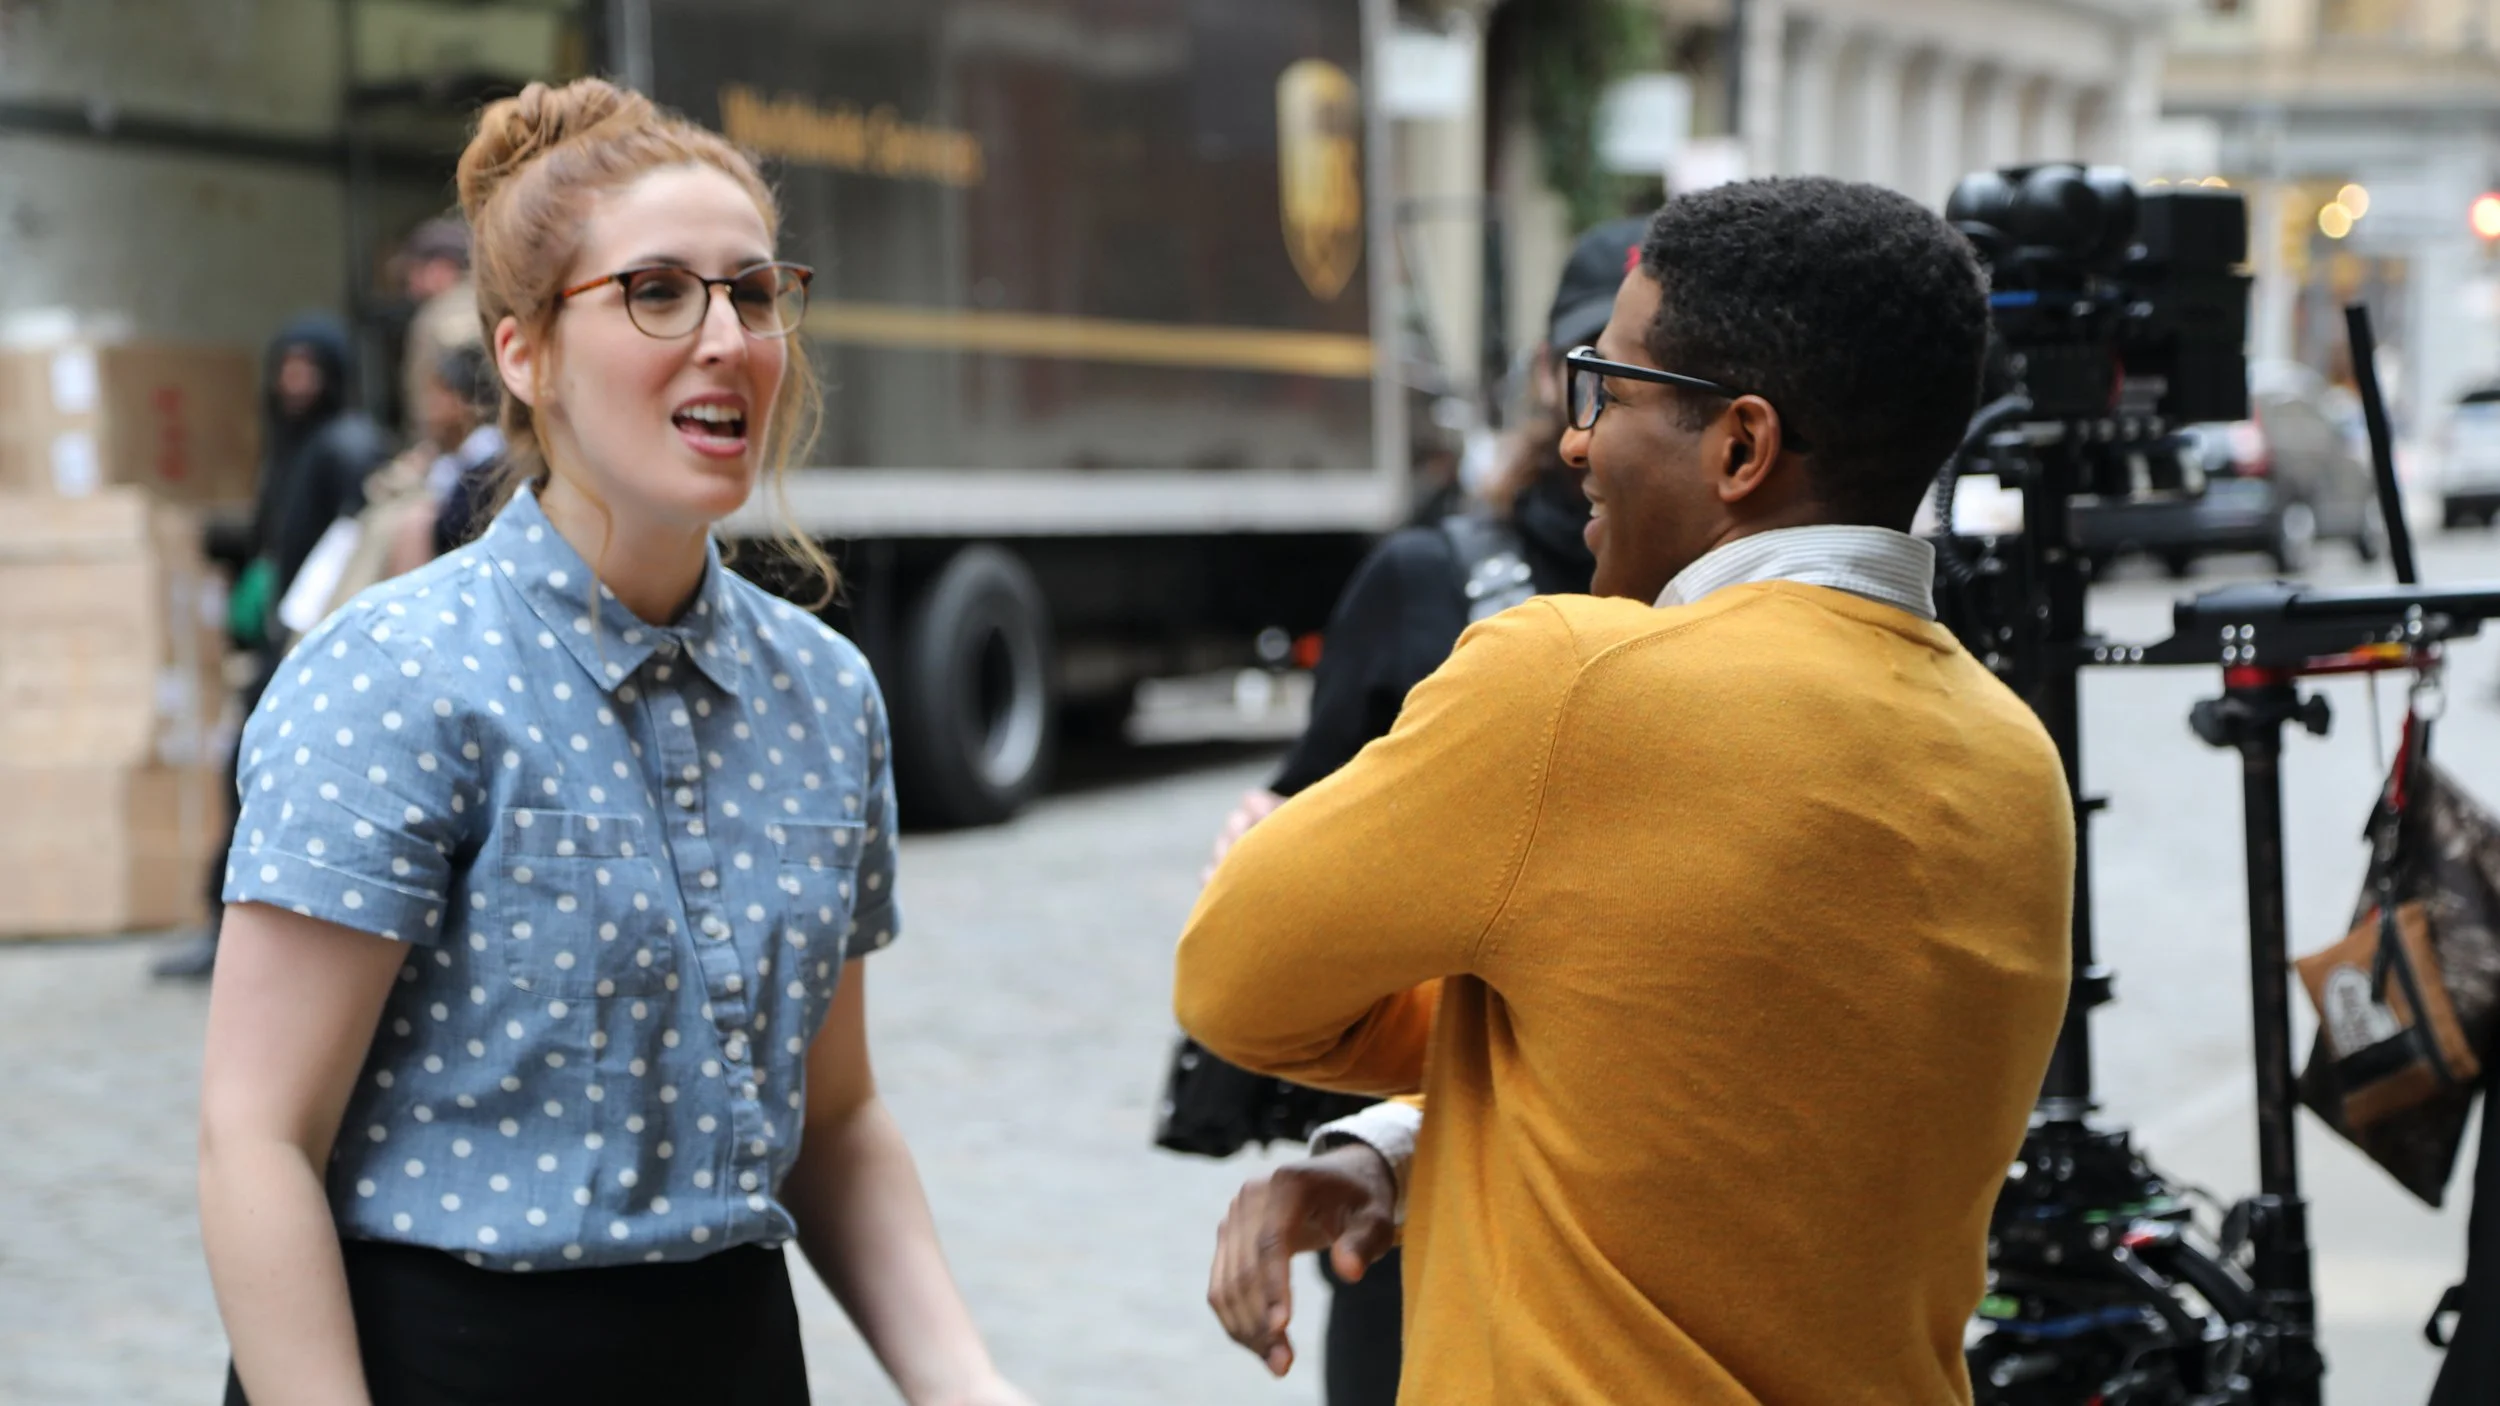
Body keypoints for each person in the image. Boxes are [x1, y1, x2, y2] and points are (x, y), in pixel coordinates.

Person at [196, 77, 1031, 1406]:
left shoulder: (827, 694)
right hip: (440, 1362)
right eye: (656, 291)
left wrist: (972, 1387)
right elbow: (256, 1139)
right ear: (524, 353)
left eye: (752, 293)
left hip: (735, 1359)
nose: (724, 335)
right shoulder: (396, 678)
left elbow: (837, 1120)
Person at [1175, 177, 2078, 1403]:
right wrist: (1403, 1143)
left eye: (1607, 386)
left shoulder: (1566, 683)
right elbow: (1733, 1090)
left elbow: (1234, 983)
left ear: (1740, 446)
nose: (1573, 437)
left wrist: (1484, 1016)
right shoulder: (2015, 758)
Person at [1162, 218, 1633, 1406]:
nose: (1607, 418)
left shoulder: (1737, 617)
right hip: (1429, 1170)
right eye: (1591, 373)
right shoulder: (1431, 575)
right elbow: (1309, 824)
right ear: (1545, 377)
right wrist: (1270, 846)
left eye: (1647, 383)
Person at [156, 315, 389, 980]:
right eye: (286, 368)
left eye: (309, 369)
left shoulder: (346, 446)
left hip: (312, 647)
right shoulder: (291, 448)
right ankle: (227, 926)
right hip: (280, 642)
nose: (295, 383)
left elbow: (353, 547)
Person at [395, 215, 482, 441]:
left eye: (415, 271)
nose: (410, 283)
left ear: (440, 268)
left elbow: (437, 406)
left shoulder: (437, 316)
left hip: (455, 446)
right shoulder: (487, 304)